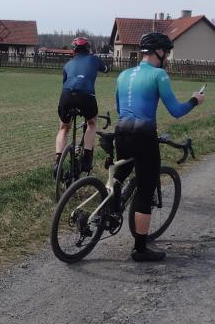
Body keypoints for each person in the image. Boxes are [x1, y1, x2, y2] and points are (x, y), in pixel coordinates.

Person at [114, 31, 205, 263]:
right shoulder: (159, 74)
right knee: (146, 191)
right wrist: (195, 100)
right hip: (144, 136)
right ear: (159, 52)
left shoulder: (123, 74)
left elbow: (119, 108)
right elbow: (175, 111)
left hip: (121, 132)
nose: (167, 56)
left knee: (121, 172)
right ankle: (140, 249)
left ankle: (111, 206)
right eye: (167, 52)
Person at [54, 37, 108, 178]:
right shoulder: (94, 59)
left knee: (64, 128)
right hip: (86, 95)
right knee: (92, 123)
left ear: (74, 50)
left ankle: (57, 162)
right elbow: (106, 69)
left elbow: (65, 83)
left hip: (67, 95)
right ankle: (87, 159)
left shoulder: (68, 64)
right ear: (88, 49)